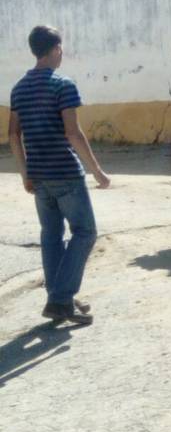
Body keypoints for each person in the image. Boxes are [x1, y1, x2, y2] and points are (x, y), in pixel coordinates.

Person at [8, 26, 111, 325]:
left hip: (39, 177)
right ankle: (60, 297)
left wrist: (24, 173)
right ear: (54, 49)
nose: (62, 53)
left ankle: (59, 298)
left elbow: (13, 134)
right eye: (60, 49)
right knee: (85, 232)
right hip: (66, 174)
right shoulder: (63, 85)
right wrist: (98, 172)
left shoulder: (18, 88)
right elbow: (74, 134)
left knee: (51, 237)